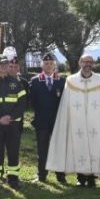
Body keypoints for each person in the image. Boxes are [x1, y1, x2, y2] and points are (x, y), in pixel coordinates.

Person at [47, 54, 100, 187]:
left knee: (94, 146)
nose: (87, 64)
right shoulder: (71, 81)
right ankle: (80, 178)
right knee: (78, 146)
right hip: (76, 121)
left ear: (93, 64)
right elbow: (65, 103)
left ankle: (91, 178)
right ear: (80, 63)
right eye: (85, 62)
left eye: (90, 62)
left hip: (94, 121)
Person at [0, 54, 27, 190]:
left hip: (13, 125)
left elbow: (22, 103)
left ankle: (13, 179)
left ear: (8, 66)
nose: (3, 67)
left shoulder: (17, 83)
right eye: (0, 64)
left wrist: (11, 117)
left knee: (13, 152)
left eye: (5, 64)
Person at [28, 52, 67, 184]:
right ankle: (42, 176)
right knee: (42, 150)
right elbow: (32, 102)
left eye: (51, 63)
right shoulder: (35, 81)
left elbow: (64, 101)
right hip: (41, 121)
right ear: (42, 65)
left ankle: (60, 176)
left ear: (55, 65)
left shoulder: (62, 81)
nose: (48, 66)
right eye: (46, 63)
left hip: (58, 121)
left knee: (59, 149)